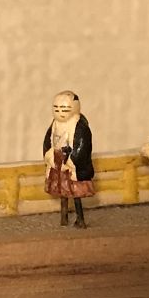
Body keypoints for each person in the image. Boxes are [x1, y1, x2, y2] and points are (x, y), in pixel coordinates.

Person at [41, 91, 94, 228]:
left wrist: (72, 161)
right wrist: (49, 155)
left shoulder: (80, 126)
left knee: (75, 191)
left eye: (64, 109)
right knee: (61, 189)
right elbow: (47, 141)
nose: (60, 113)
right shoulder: (54, 124)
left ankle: (80, 219)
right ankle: (63, 217)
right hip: (57, 160)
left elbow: (82, 146)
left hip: (71, 163)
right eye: (56, 109)